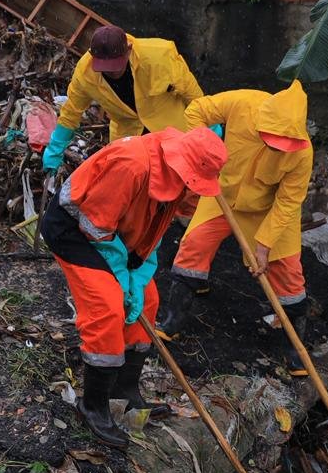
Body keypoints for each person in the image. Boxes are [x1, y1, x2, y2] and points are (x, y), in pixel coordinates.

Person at [40, 126, 228, 447]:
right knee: (107, 305)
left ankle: (124, 390)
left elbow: (149, 237)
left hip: (117, 235)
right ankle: (94, 404)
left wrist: (137, 278)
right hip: (76, 230)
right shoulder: (132, 165)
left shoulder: (174, 178)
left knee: (148, 299)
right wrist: (122, 281)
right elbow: (96, 227)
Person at [157, 81, 313, 376]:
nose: (275, 148)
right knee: (194, 246)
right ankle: (172, 322)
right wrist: (206, 143)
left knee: (289, 276)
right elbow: (196, 110)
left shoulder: (302, 154)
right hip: (223, 195)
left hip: (268, 211)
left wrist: (264, 246)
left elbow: (288, 203)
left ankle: (294, 348)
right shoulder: (242, 103)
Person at [42, 25, 208, 171]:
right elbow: (72, 111)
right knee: (128, 181)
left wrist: (208, 124)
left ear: (128, 50)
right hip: (128, 135)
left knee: (178, 177)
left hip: (171, 128)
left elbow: (190, 91)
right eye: (104, 68)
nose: (111, 73)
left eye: (115, 66)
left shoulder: (159, 55)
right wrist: (55, 148)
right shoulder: (85, 74)